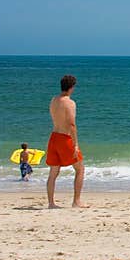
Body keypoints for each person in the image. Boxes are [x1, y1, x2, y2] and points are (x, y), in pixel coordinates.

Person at [46, 74, 88, 208]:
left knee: (53, 172)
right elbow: (71, 124)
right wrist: (75, 144)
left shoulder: (54, 100)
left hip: (54, 137)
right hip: (65, 138)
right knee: (80, 169)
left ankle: (51, 203)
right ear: (72, 87)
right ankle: (76, 201)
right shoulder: (69, 102)